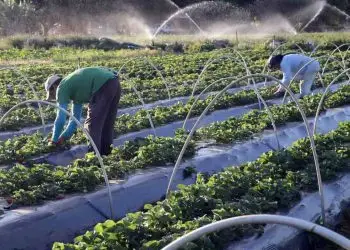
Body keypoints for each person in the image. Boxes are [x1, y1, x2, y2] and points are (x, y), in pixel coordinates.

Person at [44, 67, 121, 156]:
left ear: (54, 87)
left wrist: (54, 139)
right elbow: (75, 120)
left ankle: (94, 158)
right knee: (107, 124)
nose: (55, 97)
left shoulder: (61, 88)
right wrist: (64, 137)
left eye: (52, 94)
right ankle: (106, 155)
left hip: (102, 85)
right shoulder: (74, 87)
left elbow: (60, 119)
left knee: (92, 125)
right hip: (114, 82)